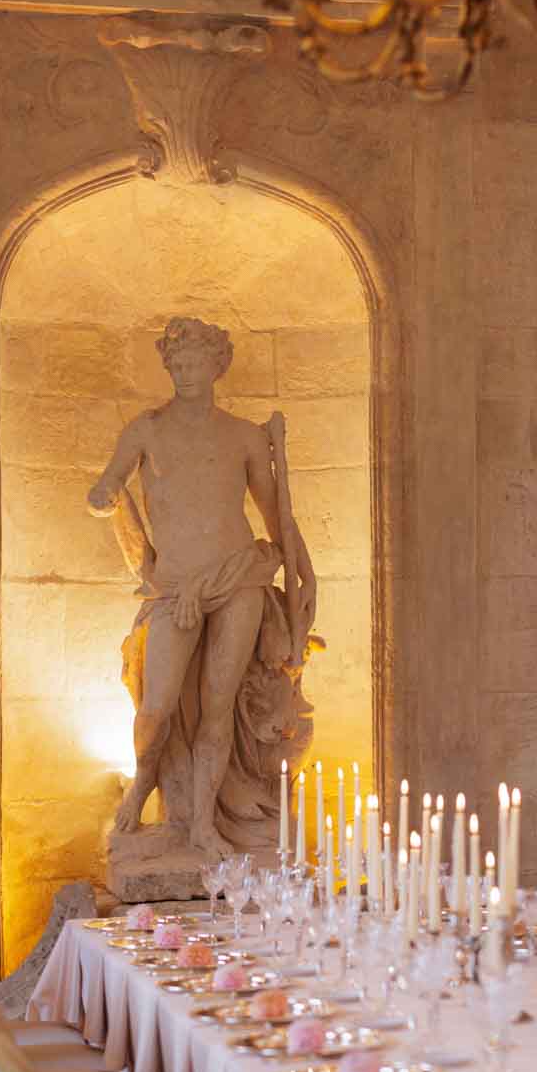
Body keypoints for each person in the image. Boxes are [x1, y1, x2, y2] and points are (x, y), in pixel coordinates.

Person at [88, 316, 316, 859]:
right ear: (168, 366)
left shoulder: (241, 436)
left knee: (218, 703)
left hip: (237, 576)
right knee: (157, 707)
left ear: (219, 366)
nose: (186, 372)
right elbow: (109, 481)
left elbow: (275, 517)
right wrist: (103, 493)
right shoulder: (146, 428)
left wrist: (304, 571)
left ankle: (203, 826)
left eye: (197, 362)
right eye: (178, 363)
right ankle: (144, 784)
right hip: (173, 586)